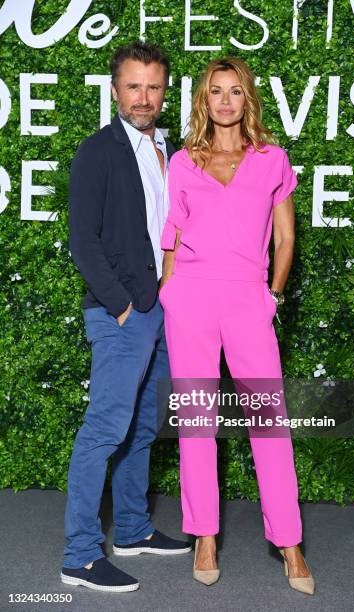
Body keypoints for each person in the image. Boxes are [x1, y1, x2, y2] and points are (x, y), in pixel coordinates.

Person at [159, 57, 315, 595]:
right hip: (192, 301)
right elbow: (173, 238)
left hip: (249, 300)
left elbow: (286, 238)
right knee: (197, 420)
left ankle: (290, 543)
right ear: (204, 101)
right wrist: (169, 294)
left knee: (269, 423)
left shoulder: (272, 160)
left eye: (235, 92)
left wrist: (270, 296)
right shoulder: (182, 162)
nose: (225, 101)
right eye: (216, 93)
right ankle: (204, 534)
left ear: (248, 100)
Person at [61, 40, 191, 593]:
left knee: (142, 429)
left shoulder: (173, 149)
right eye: (133, 86)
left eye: (153, 87)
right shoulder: (98, 151)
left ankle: (133, 528)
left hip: (168, 309)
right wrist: (120, 305)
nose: (143, 97)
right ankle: (79, 556)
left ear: (165, 93)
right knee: (104, 431)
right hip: (124, 313)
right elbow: (83, 242)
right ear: (115, 90)